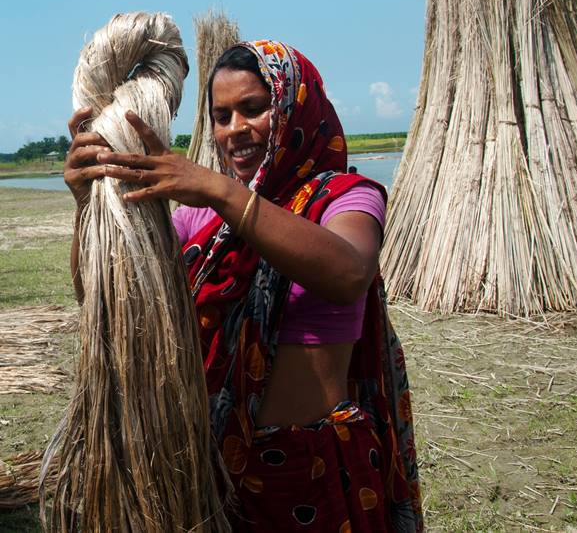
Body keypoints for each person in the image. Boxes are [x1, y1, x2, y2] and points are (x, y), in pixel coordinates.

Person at [65, 40, 422, 532]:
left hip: (309, 471)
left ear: (298, 107)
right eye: (222, 115)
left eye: (254, 109)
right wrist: (90, 203)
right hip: (213, 469)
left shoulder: (343, 198)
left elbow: (348, 275)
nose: (235, 130)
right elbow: (108, 291)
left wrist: (220, 190)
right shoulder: (202, 216)